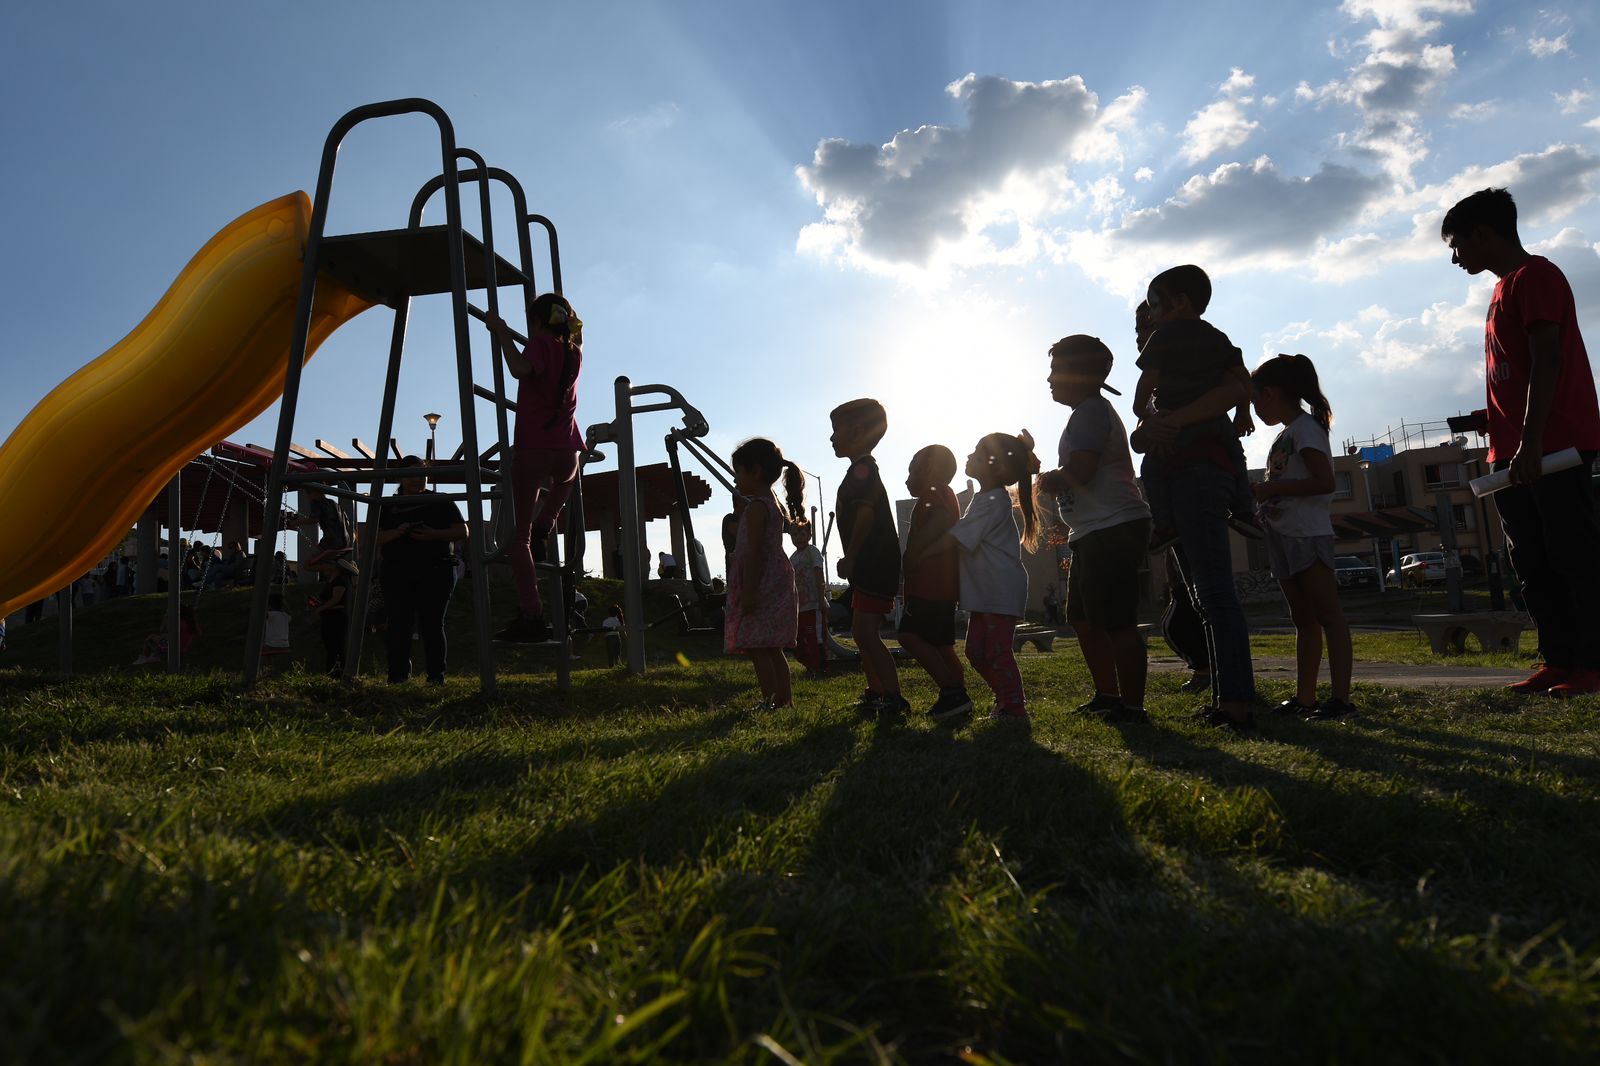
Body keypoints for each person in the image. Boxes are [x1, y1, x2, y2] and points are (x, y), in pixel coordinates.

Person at [1442, 187, 1600, 696]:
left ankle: (1591, 665)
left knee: (1572, 558)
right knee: (1531, 562)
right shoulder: (1501, 290)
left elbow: (1548, 360)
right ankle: (1559, 660)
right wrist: (1492, 420)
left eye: (1458, 244)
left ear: (1484, 234)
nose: (1455, 257)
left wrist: (1532, 444)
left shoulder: (1537, 277)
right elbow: (1520, 373)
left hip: (1553, 450)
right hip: (1514, 455)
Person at [1131, 265, 1258, 729]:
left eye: (1155, 307)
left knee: (1215, 593)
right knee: (1207, 597)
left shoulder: (1168, 346)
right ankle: (1229, 697)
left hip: (1195, 471)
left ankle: (1237, 703)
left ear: (1179, 303)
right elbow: (1240, 381)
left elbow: (1236, 385)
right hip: (1198, 465)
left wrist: (1152, 415)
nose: (1149, 321)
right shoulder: (1215, 342)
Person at [1038, 335, 1154, 723]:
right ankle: (1108, 695)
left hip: (1113, 527)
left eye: (1056, 370)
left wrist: (1049, 479)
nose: (1049, 379)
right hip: (1091, 531)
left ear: (1080, 374)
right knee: (1083, 619)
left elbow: (1082, 470)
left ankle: (1133, 706)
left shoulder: (1090, 412)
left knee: (1117, 621)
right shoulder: (1083, 414)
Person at [1251, 354, 1355, 719]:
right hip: (1283, 535)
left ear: (1271, 393)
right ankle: (1305, 698)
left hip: (1307, 535)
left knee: (1328, 616)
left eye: (1255, 401)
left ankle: (1341, 700)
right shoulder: (1288, 434)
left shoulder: (1306, 429)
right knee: (1303, 619)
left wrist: (1268, 491)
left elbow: (1324, 482)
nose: (1254, 410)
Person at [486, 293, 584, 643]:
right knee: (565, 484)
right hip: (567, 451)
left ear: (538, 323)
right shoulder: (574, 351)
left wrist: (499, 333)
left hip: (534, 448)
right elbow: (561, 341)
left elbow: (520, 368)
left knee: (518, 540)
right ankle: (548, 522)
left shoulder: (540, 343)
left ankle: (532, 614)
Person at [943, 432, 1039, 721]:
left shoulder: (994, 500)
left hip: (998, 590)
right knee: (976, 652)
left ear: (995, 466)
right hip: (985, 592)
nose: (969, 456)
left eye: (976, 452)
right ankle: (1007, 699)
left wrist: (925, 544)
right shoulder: (984, 497)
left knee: (997, 652)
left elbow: (958, 538)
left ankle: (1014, 707)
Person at [830, 398, 905, 715]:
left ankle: (893, 697)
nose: (831, 438)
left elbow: (864, 516)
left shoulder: (863, 471)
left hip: (875, 564)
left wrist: (851, 557)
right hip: (871, 566)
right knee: (862, 634)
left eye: (836, 430)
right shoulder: (859, 471)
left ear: (858, 431)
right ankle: (876, 691)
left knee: (866, 634)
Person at [726, 438, 803, 709]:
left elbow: (755, 554)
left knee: (759, 647)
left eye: (739, 473)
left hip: (762, 583)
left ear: (755, 471)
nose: (736, 481)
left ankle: (770, 700)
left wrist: (748, 592)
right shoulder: (772, 505)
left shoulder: (757, 508)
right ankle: (785, 700)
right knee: (772, 647)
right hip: (776, 579)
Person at [376, 456, 468, 684]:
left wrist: (432, 535)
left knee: (433, 624)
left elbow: (462, 531)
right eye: (411, 474)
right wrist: (398, 532)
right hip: (397, 570)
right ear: (400, 478)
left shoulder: (440, 501)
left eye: (421, 474)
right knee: (399, 623)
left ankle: (436, 676)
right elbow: (374, 538)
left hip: (436, 570)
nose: (417, 479)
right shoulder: (387, 506)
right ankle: (397, 676)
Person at [898, 444, 972, 720]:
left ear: (929, 469)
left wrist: (917, 552)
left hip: (929, 583)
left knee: (908, 635)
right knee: (942, 645)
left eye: (911, 470)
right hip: (942, 586)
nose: (907, 479)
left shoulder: (935, 492)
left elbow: (940, 521)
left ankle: (952, 691)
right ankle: (958, 698)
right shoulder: (944, 494)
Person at [306, 547, 355, 678]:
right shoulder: (331, 581)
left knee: (337, 647)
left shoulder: (341, 580)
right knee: (331, 647)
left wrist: (320, 609)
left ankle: (337, 674)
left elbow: (336, 599)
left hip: (337, 617)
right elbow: (308, 567)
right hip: (329, 617)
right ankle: (332, 673)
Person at [789, 521, 827, 677]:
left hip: (813, 605)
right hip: (799, 606)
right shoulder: (792, 557)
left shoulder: (813, 552)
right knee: (797, 639)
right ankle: (809, 664)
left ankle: (819, 668)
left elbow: (819, 574)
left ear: (809, 535)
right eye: (795, 535)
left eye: (802, 534)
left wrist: (820, 598)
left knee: (815, 637)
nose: (798, 538)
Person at [134, 604, 200, 665]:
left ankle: (147, 657)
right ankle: (151, 656)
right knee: (154, 637)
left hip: (174, 649)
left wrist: (165, 619)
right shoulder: (192, 624)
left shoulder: (180, 623)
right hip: (182, 648)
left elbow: (168, 634)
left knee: (150, 639)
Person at [261, 592, 293, 673]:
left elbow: (262, 613)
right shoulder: (286, 616)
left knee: (261, 652)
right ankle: (270, 670)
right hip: (285, 644)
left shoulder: (270, 615)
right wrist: (285, 604)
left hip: (271, 645)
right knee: (267, 650)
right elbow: (290, 613)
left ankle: (266, 672)